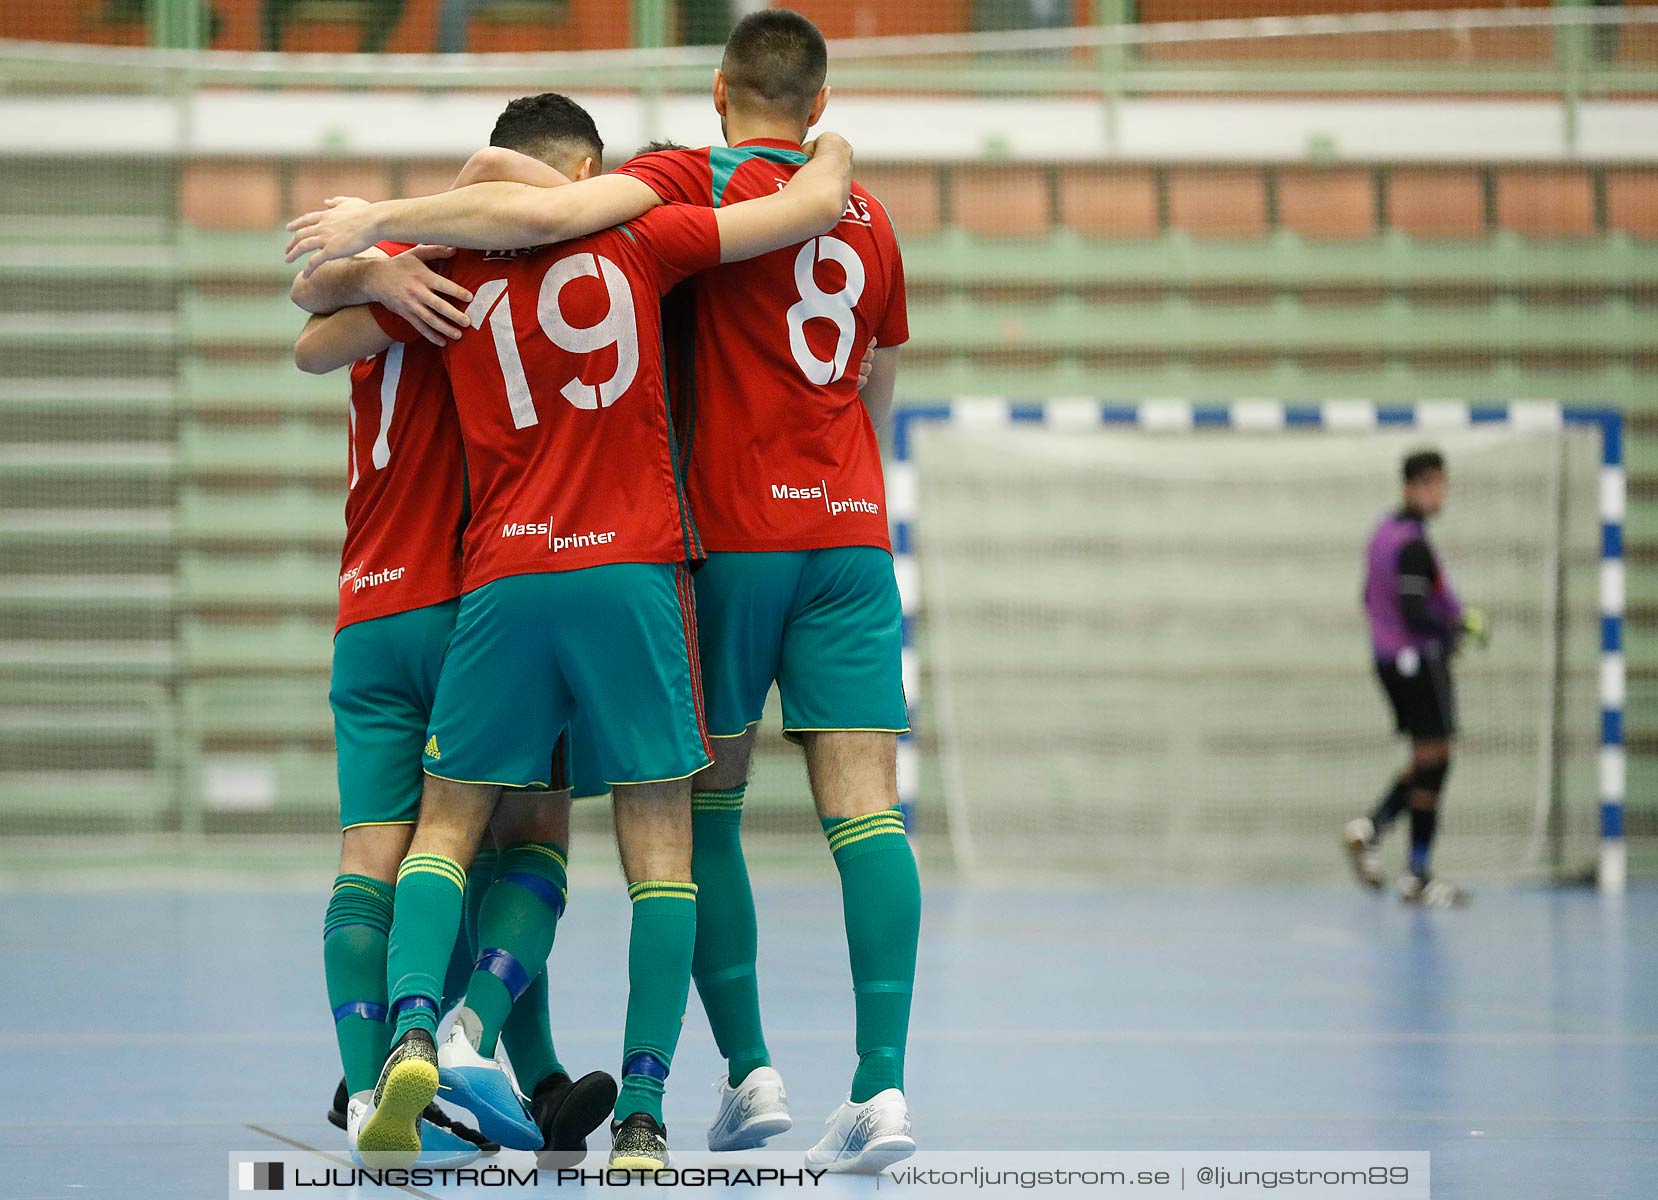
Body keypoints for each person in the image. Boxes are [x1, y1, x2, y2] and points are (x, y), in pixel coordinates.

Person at [285, 95, 855, 1169]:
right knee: (646, 852)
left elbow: (315, 334)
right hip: (628, 571)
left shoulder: (449, 266)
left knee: (442, 835)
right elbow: (814, 203)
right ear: (589, 169)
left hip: (492, 579)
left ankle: (409, 1042)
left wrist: (375, 251)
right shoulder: (644, 232)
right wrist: (830, 141)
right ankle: (631, 1109)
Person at [289, 134, 617, 1166]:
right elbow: (524, 196)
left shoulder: (405, 286)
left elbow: (308, 333)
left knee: (373, 860)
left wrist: (376, 256)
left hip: (366, 609)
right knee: (522, 840)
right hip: (483, 602)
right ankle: (455, 1042)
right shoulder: (509, 280)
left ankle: (383, 1085)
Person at [1345, 449, 1489, 908]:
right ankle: (1410, 867)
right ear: (1409, 486)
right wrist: (1455, 626)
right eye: (1429, 484)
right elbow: (1412, 608)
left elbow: (1367, 596)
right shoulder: (1409, 542)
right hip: (1414, 660)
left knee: (1430, 759)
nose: (1438, 493)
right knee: (1435, 759)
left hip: (1391, 660)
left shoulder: (1384, 533)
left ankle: (1379, 838)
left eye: (1442, 483)